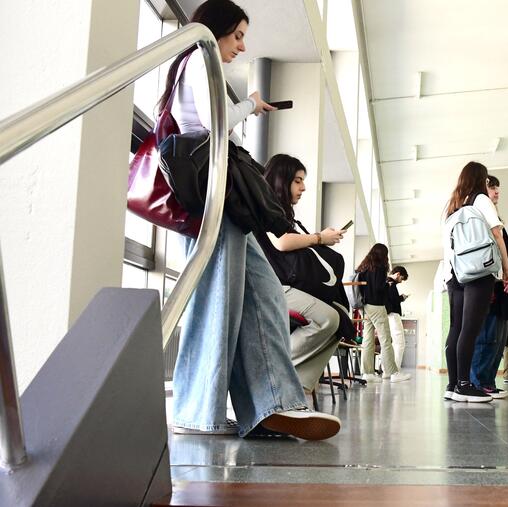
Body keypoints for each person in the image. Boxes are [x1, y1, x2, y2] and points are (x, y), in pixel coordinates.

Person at [167, 0, 340, 439]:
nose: (242, 46)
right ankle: (195, 410)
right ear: (215, 30)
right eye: (238, 35)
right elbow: (214, 121)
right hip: (213, 204)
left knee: (263, 293)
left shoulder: (202, 64)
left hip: (228, 206)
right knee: (217, 302)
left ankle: (272, 403)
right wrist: (251, 105)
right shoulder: (198, 58)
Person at [257, 154, 346, 395]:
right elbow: (282, 243)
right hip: (271, 287)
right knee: (328, 318)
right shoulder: (267, 206)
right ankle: (271, 372)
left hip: (284, 286)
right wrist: (319, 238)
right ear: (281, 180)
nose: (303, 187)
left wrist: (319, 237)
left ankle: (298, 388)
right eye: (297, 181)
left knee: (342, 323)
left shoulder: (283, 213)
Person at [443, 162, 508, 403]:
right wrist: (507, 268)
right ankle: (464, 384)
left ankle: (452, 385)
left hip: (454, 274)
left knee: (456, 329)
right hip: (477, 271)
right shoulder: (481, 200)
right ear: (482, 180)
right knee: (471, 329)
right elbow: (497, 233)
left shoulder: (452, 205)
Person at [470, 174, 508, 399]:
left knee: (498, 338)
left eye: (498, 188)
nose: (497, 192)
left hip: (502, 288)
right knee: (486, 336)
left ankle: (487, 380)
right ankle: (478, 381)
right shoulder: (478, 215)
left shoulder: (495, 218)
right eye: (492, 187)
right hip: (491, 285)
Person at [357, 244, 412, 384]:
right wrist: (389, 282)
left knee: (367, 339)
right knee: (386, 340)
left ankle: (367, 373)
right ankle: (393, 373)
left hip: (365, 306)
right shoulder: (380, 267)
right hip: (376, 305)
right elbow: (379, 288)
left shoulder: (364, 267)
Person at [386, 266, 409, 369]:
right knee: (400, 343)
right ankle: (395, 371)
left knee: (390, 344)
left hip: (387, 315)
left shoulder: (386, 282)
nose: (401, 281)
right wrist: (401, 298)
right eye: (401, 278)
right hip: (393, 315)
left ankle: (388, 370)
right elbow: (393, 300)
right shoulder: (390, 283)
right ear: (398, 274)